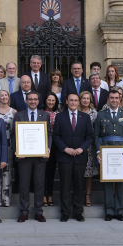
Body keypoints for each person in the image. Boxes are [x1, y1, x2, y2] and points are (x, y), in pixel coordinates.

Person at [95, 90, 123, 221]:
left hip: (122, 152)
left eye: (116, 98)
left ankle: (119, 211)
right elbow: (96, 135)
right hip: (106, 151)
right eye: (111, 98)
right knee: (107, 182)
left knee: (120, 182)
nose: (114, 100)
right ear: (108, 99)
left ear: (120, 99)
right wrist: (98, 152)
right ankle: (109, 211)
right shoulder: (101, 115)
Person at [12, 92, 52, 223]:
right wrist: (17, 149)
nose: (33, 101)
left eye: (35, 99)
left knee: (39, 184)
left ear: (39, 100)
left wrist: (48, 147)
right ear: (26, 101)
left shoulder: (45, 115)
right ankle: (24, 211)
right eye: (30, 99)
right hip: (24, 156)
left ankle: (39, 211)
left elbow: (49, 134)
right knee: (24, 184)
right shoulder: (19, 115)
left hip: (40, 155)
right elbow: (13, 135)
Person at [53, 93, 93, 222]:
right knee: (64, 185)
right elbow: (56, 136)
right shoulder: (60, 117)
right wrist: (65, 148)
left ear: (79, 102)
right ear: (67, 101)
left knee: (79, 186)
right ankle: (65, 212)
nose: (73, 102)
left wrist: (82, 148)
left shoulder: (85, 117)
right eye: (71, 100)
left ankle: (78, 212)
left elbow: (89, 137)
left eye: (76, 100)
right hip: (65, 156)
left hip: (80, 156)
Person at [0, 90, 17, 207]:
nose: (4, 97)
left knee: (8, 172)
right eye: (1, 95)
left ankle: (6, 200)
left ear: (8, 97)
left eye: (6, 95)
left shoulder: (14, 112)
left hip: (9, 145)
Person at [79, 91, 98, 207]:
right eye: (83, 98)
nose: (86, 100)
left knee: (89, 172)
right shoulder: (75, 111)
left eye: (88, 98)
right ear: (80, 99)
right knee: (78, 171)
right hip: (77, 145)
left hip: (90, 146)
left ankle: (87, 195)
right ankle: (79, 194)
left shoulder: (94, 113)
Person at [43, 93, 61, 207]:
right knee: (42, 171)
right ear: (45, 101)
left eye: (53, 100)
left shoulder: (60, 114)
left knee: (51, 171)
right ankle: (43, 195)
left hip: (55, 146)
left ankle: (50, 194)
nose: (51, 102)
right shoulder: (41, 112)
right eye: (49, 100)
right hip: (42, 144)